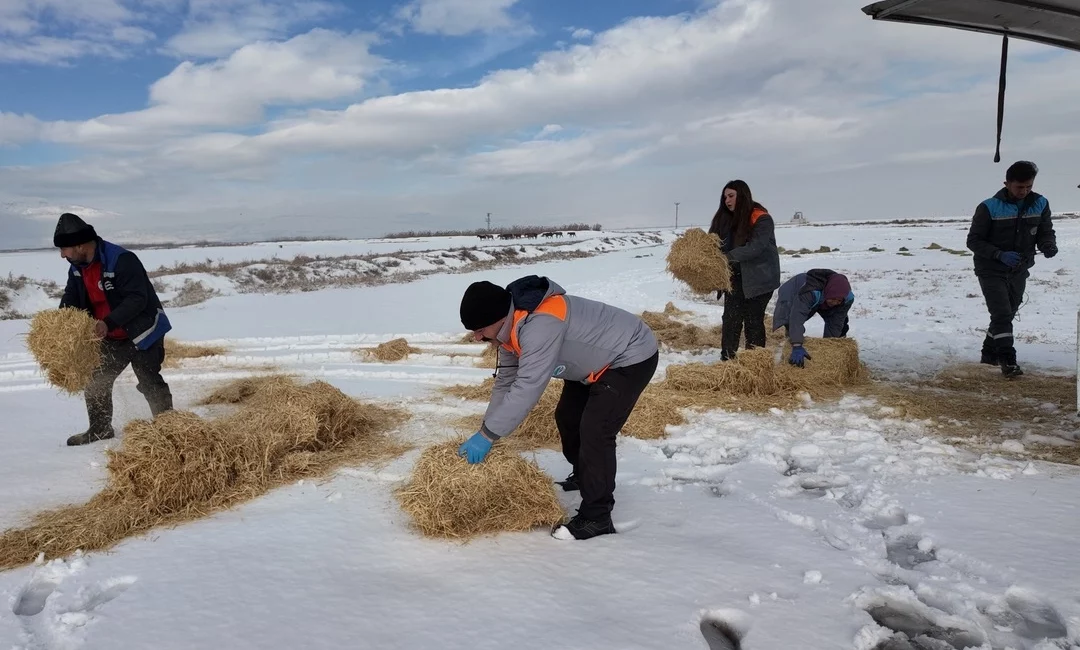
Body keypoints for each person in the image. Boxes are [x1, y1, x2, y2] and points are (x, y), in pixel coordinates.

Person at [457, 275, 659, 541]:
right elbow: (506, 381)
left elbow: (528, 386)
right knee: (568, 417)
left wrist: (488, 436)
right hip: (590, 364)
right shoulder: (510, 329)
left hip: (628, 355)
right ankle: (586, 475)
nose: (477, 337)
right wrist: (486, 429)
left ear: (498, 318)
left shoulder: (539, 326)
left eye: (480, 329)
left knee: (596, 430)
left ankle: (597, 517)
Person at [54, 212, 174, 446]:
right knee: (96, 380)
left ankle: (169, 429)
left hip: (143, 330)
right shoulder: (77, 267)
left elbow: (137, 299)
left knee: (149, 379)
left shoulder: (121, 259)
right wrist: (62, 322)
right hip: (110, 334)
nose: (62, 255)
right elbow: (71, 297)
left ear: (80, 245)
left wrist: (107, 323)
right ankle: (100, 429)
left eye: (64, 249)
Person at [966, 161, 1057, 378]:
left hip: (1019, 269)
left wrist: (1047, 244)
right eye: (1019, 187)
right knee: (1001, 313)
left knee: (1009, 312)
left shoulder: (1041, 203)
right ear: (1006, 183)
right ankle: (1008, 360)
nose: (1024, 191)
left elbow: (1045, 231)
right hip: (990, 269)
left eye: (1028, 186)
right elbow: (973, 241)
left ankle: (989, 353)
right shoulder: (988, 207)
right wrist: (999, 255)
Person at [708, 180, 781, 360]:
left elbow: (755, 247)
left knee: (753, 320)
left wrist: (725, 258)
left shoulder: (761, 218)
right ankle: (727, 360)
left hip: (759, 279)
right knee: (731, 320)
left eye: (731, 196)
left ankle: (755, 361)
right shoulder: (725, 219)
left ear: (742, 195)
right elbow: (714, 243)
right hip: (735, 278)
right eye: (725, 197)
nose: (727, 200)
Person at [771, 269, 854, 367]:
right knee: (789, 319)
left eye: (839, 300)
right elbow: (797, 317)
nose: (835, 302)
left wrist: (829, 347)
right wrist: (797, 345)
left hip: (822, 297)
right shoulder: (809, 292)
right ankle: (791, 345)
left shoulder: (847, 299)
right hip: (794, 290)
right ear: (828, 293)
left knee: (837, 320)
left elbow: (835, 323)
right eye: (833, 299)